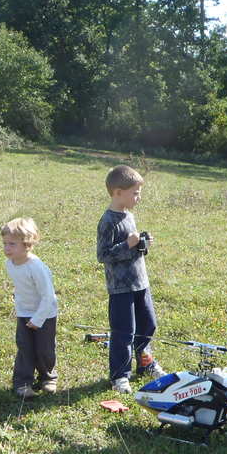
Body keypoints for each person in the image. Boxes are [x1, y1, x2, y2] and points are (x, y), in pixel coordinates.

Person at [96, 165, 166, 394]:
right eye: (134, 193)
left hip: (140, 282)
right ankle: (120, 376)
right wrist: (128, 244)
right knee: (124, 331)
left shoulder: (129, 215)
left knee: (148, 324)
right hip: (121, 288)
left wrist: (142, 244)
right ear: (117, 192)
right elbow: (104, 255)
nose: (138, 197)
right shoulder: (108, 221)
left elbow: (133, 249)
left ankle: (145, 362)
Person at [2, 217, 59, 399]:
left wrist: (38, 320)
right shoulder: (10, 264)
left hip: (45, 314)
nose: (7, 248)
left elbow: (48, 296)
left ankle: (47, 378)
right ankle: (22, 382)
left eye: (12, 244)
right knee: (25, 347)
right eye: (5, 243)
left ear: (27, 244)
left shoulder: (36, 267)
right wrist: (23, 312)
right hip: (24, 312)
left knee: (44, 349)